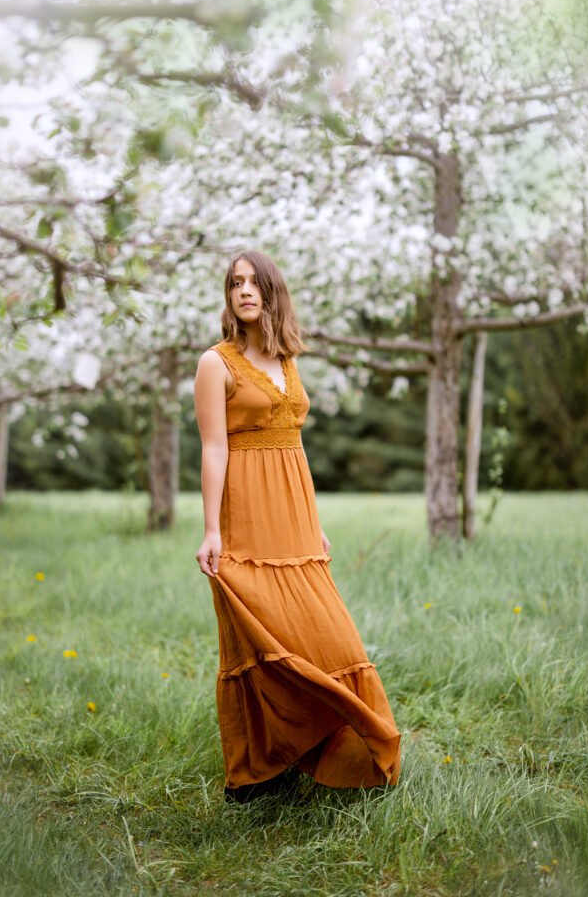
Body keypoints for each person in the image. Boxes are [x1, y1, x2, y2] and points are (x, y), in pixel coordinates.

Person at [193, 249, 401, 802]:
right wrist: (212, 531)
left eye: (253, 282)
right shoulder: (215, 363)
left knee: (325, 634)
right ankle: (254, 771)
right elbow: (214, 450)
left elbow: (295, 446)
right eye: (234, 283)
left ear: (271, 291)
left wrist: (314, 521)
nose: (243, 291)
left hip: (294, 519)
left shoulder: (287, 362)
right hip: (246, 516)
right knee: (256, 640)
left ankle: (327, 742)